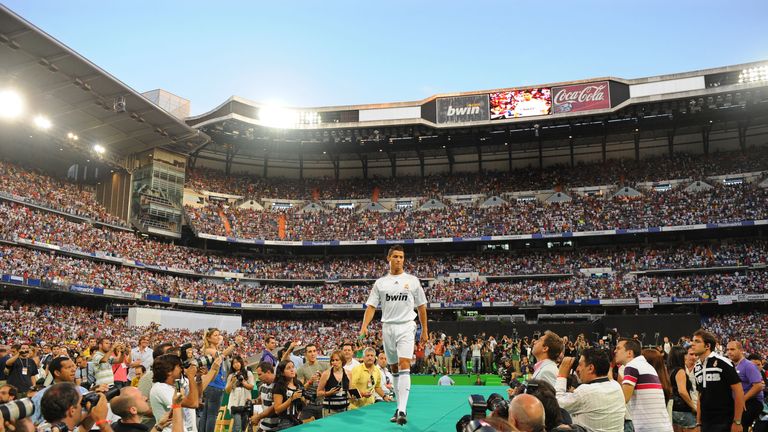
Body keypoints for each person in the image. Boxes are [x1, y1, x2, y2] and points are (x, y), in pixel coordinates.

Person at [360, 245, 428, 426]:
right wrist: (364, 326)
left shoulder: (412, 281)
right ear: (388, 258)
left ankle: (403, 410)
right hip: (387, 327)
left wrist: (425, 330)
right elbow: (371, 307)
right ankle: (399, 408)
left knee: (404, 363)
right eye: (396, 256)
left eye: (402, 257)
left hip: (406, 326)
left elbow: (421, 306)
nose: (399, 260)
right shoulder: (381, 283)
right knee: (394, 369)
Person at [555, 348, 625, 432]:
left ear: (591, 368)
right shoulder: (615, 386)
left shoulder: (586, 391)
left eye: (580, 365)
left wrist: (561, 375)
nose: (577, 369)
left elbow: (557, 404)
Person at [690, 330, 745, 432]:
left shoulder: (723, 362)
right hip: (706, 422)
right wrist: (698, 422)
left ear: (707, 346)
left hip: (724, 420)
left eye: (697, 341)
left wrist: (737, 421)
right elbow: (700, 396)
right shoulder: (696, 367)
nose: (692, 344)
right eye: (692, 341)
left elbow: (738, 391)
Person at [614, 338, 673, 432]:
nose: (615, 351)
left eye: (618, 348)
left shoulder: (632, 366)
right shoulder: (646, 366)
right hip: (661, 427)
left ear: (629, 353)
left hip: (649, 428)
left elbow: (623, 399)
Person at [198, 329, 244, 432]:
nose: (218, 337)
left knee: (207, 414)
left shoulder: (212, 348)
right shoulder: (209, 350)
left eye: (218, 335)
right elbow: (222, 354)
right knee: (212, 415)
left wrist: (219, 339)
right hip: (215, 385)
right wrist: (235, 343)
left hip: (213, 385)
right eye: (215, 335)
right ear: (209, 338)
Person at [149, 354, 204, 432]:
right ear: (169, 371)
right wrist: (191, 376)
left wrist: (198, 377)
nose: (182, 369)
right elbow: (193, 403)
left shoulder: (174, 385)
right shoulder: (160, 388)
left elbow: (196, 398)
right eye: (179, 366)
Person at [40, 382, 112, 432]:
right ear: (72, 411)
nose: (82, 407)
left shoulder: (45, 428)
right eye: (81, 403)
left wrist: (94, 403)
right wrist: (102, 424)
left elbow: (84, 427)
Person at [726, 341, 764, 431]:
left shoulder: (748, 365)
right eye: (727, 349)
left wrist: (742, 399)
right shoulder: (732, 365)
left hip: (751, 402)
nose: (729, 352)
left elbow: (758, 386)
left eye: (732, 349)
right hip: (740, 402)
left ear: (741, 350)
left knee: (741, 427)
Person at [110, 386, 182, 432]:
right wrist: (177, 405)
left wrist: (159, 426)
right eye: (141, 397)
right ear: (133, 410)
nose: (146, 398)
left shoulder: (114, 426)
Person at [667, 346, 698, 432]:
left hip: (673, 409)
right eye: (685, 354)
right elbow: (682, 391)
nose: (686, 356)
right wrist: (693, 406)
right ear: (680, 356)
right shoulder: (680, 371)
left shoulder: (669, 370)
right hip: (683, 410)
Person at [271, 360, 306, 430]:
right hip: (286, 421)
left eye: (293, 367)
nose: (292, 370)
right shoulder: (279, 386)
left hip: (299, 419)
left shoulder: (298, 384)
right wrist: (291, 399)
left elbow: (304, 404)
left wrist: (303, 399)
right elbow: (277, 409)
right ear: (282, 373)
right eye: (288, 368)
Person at [296, 343, 327, 420]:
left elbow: (330, 384)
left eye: (314, 351)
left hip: (324, 403)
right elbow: (300, 389)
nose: (313, 354)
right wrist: (309, 382)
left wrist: (323, 377)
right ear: (305, 354)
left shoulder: (325, 366)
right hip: (309, 405)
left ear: (317, 352)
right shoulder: (301, 369)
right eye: (310, 352)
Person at [224, 356, 254, 432]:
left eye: (237, 362)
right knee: (237, 426)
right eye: (233, 363)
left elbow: (251, 387)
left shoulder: (248, 373)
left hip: (245, 403)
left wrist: (243, 382)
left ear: (241, 362)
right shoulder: (231, 375)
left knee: (244, 427)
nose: (235, 365)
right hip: (234, 404)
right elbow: (227, 391)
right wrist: (232, 381)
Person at [316, 350, 350, 418]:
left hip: (345, 409)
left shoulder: (349, 373)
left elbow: (349, 391)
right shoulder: (326, 374)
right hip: (330, 411)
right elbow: (318, 393)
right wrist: (328, 393)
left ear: (342, 361)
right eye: (333, 360)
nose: (334, 362)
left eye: (337, 360)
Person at [250, 362, 279, 432]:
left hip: (275, 427)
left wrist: (258, 417)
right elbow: (262, 398)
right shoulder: (263, 386)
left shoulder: (278, 386)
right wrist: (254, 401)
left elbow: (274, 407)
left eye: (260, 374)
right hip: (264, 425)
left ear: (268, 372)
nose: (258, 377)